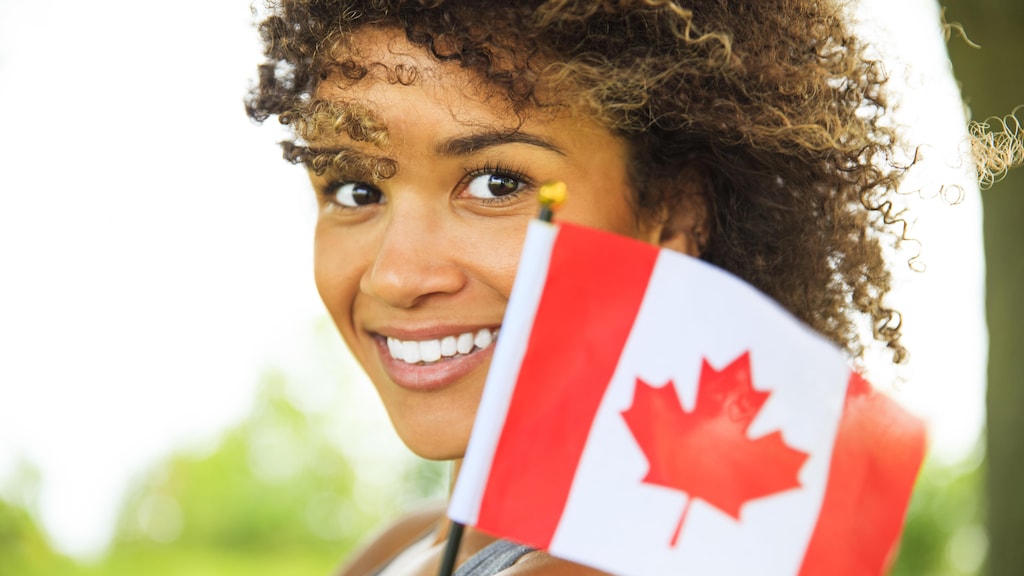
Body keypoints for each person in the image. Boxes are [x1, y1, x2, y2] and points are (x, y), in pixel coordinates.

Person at [245, 1, 929, 574]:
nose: (396, 275)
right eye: (355, 188)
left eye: (496, 184)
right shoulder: (398, 548)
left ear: (674, 212)